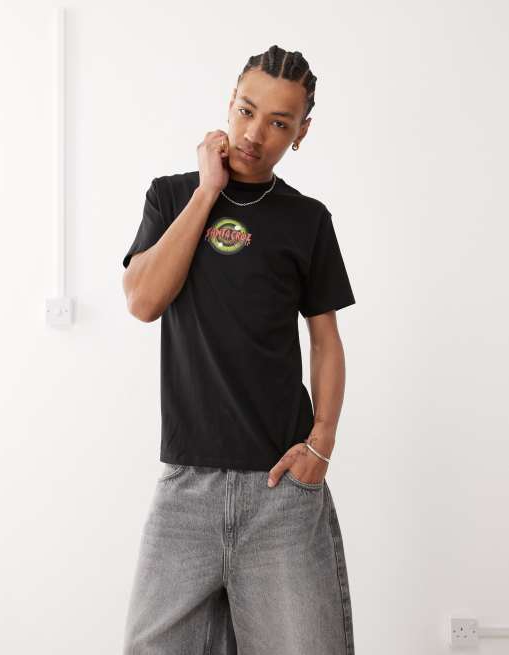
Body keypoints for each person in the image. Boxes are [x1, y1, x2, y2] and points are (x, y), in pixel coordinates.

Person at [121, 44, 356, 655]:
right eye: (247, 111)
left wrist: (322, 442)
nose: (255, 134)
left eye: (279, 122)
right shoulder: (172, 196)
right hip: (186, 486)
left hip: (281, 490)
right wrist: (207, 192)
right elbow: (143, 300)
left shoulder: (307, 220)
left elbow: (325, 339)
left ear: (301, 133)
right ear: (230, 102)